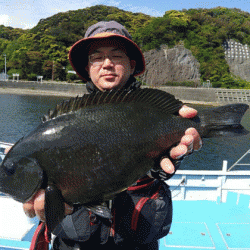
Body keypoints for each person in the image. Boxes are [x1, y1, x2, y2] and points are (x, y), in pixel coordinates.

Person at [24, 21, 202, 250]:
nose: (107, 64)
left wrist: (173, 155)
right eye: (96, 57)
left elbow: (159, 169)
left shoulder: (152, 112)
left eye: (116, 56)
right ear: (87, 68)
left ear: (131, 64)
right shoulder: (59, 123)